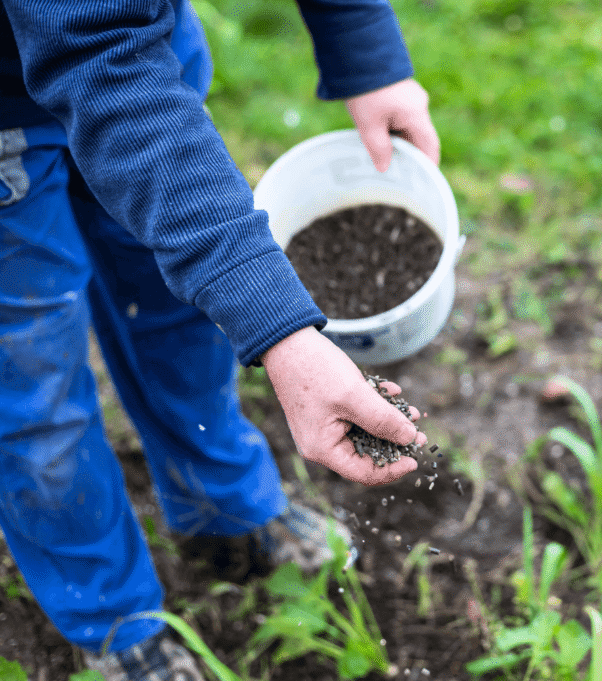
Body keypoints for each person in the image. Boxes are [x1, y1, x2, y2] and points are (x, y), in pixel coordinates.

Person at [0, 0, 440, 677]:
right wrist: (283, 333)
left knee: (180, 306)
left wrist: (363, 49)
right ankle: (112, 619)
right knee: (36, 391)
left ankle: (224, 508)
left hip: (144, 52)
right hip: (32, 106)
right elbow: (97, 49)